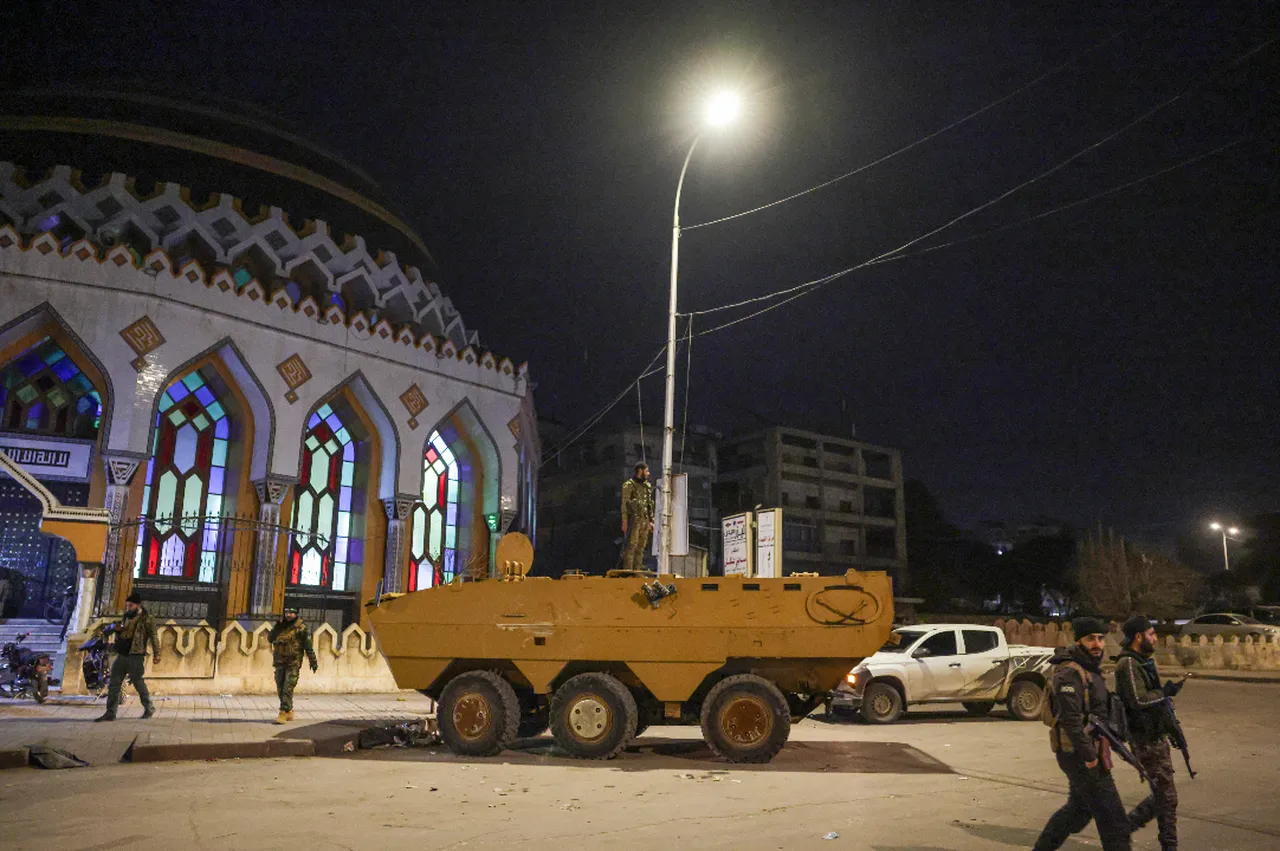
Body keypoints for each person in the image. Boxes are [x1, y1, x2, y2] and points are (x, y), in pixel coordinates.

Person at [1033, 616, 1131, 851]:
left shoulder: (1089, 668)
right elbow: (1071, 721)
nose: (1097, 644)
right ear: (1078, 641)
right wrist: (1091, 757)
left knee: (1078, 811)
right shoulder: (1069, 673)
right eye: (1090, 639)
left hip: (1087, 751)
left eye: (1100, 638)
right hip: (1079, 754)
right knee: (1114, 820)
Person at [1116, 615, 1183, 851]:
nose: (1155, 639)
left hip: (1154, 735)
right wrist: (1164, 693)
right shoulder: (1128, 663)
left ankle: (1124, 830)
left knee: (1165, 797)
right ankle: (1124, 830)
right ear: (1138, 637)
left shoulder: (1140, 662)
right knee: (1166, 797)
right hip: (1144, 739)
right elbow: (1138, 700)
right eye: (1151, 634)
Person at [95, 591, 160, 722]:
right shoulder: (126, 616)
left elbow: (154, 637)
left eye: (131, 605)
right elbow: (122, 632)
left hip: (136, 655)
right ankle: (110, 713)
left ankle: (149, 708)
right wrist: (118, 630)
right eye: (127, 606)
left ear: (138, 605)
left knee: (138, 683)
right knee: (114, 684)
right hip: (122, 654)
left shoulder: (147, 619)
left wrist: (157, 654)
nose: (128, 608)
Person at [268, 606, 318, 724]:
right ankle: (289, 710)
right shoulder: (280, 627)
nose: (288, 615)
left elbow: (308, 646)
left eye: (291, 613)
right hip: (280, 662)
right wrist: (277, 627)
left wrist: (313, 661)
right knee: (280, 687)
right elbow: (270, 639)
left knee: (288, 687)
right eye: (286, 612)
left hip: (293, 662)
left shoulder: (301, 628)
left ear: (296, 614)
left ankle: (283, 713)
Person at [620, 462, 654, 572]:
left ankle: (637, 571)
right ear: (640, 471)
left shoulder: (647, 486)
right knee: (631, 547)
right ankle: (629, 571)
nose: (648, 473)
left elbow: (649, 504)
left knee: (641, 548)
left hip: (645, 520)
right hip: (634, 520)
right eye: (646, 471)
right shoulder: (629, 485)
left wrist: (651, 520)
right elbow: (625, 504)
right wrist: (625, 521)